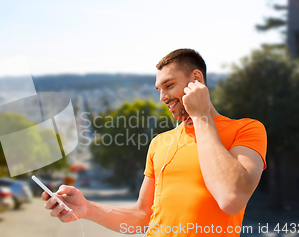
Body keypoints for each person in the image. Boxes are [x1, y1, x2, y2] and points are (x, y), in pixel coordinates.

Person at [41, 49, 267, 236]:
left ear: (196, 80)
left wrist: (200, 116)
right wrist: (87, 208)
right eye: (159, 90)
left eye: (169, 85)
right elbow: (143, 217)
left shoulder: (246, 129)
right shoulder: (160, 143)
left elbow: (231, 198)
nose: (162, 98)